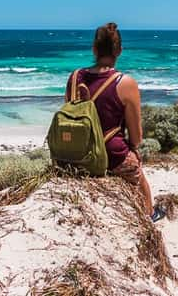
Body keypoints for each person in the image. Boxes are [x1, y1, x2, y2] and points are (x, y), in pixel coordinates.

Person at [65, 22, 164, 222]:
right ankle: (150, 215)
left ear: (94, 49)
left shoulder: (75, 77)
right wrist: (133, 149)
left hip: (73, 153)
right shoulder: (126, 83)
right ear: (119, 51)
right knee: (140, 176)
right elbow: (136, 138)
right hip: (112, 155)